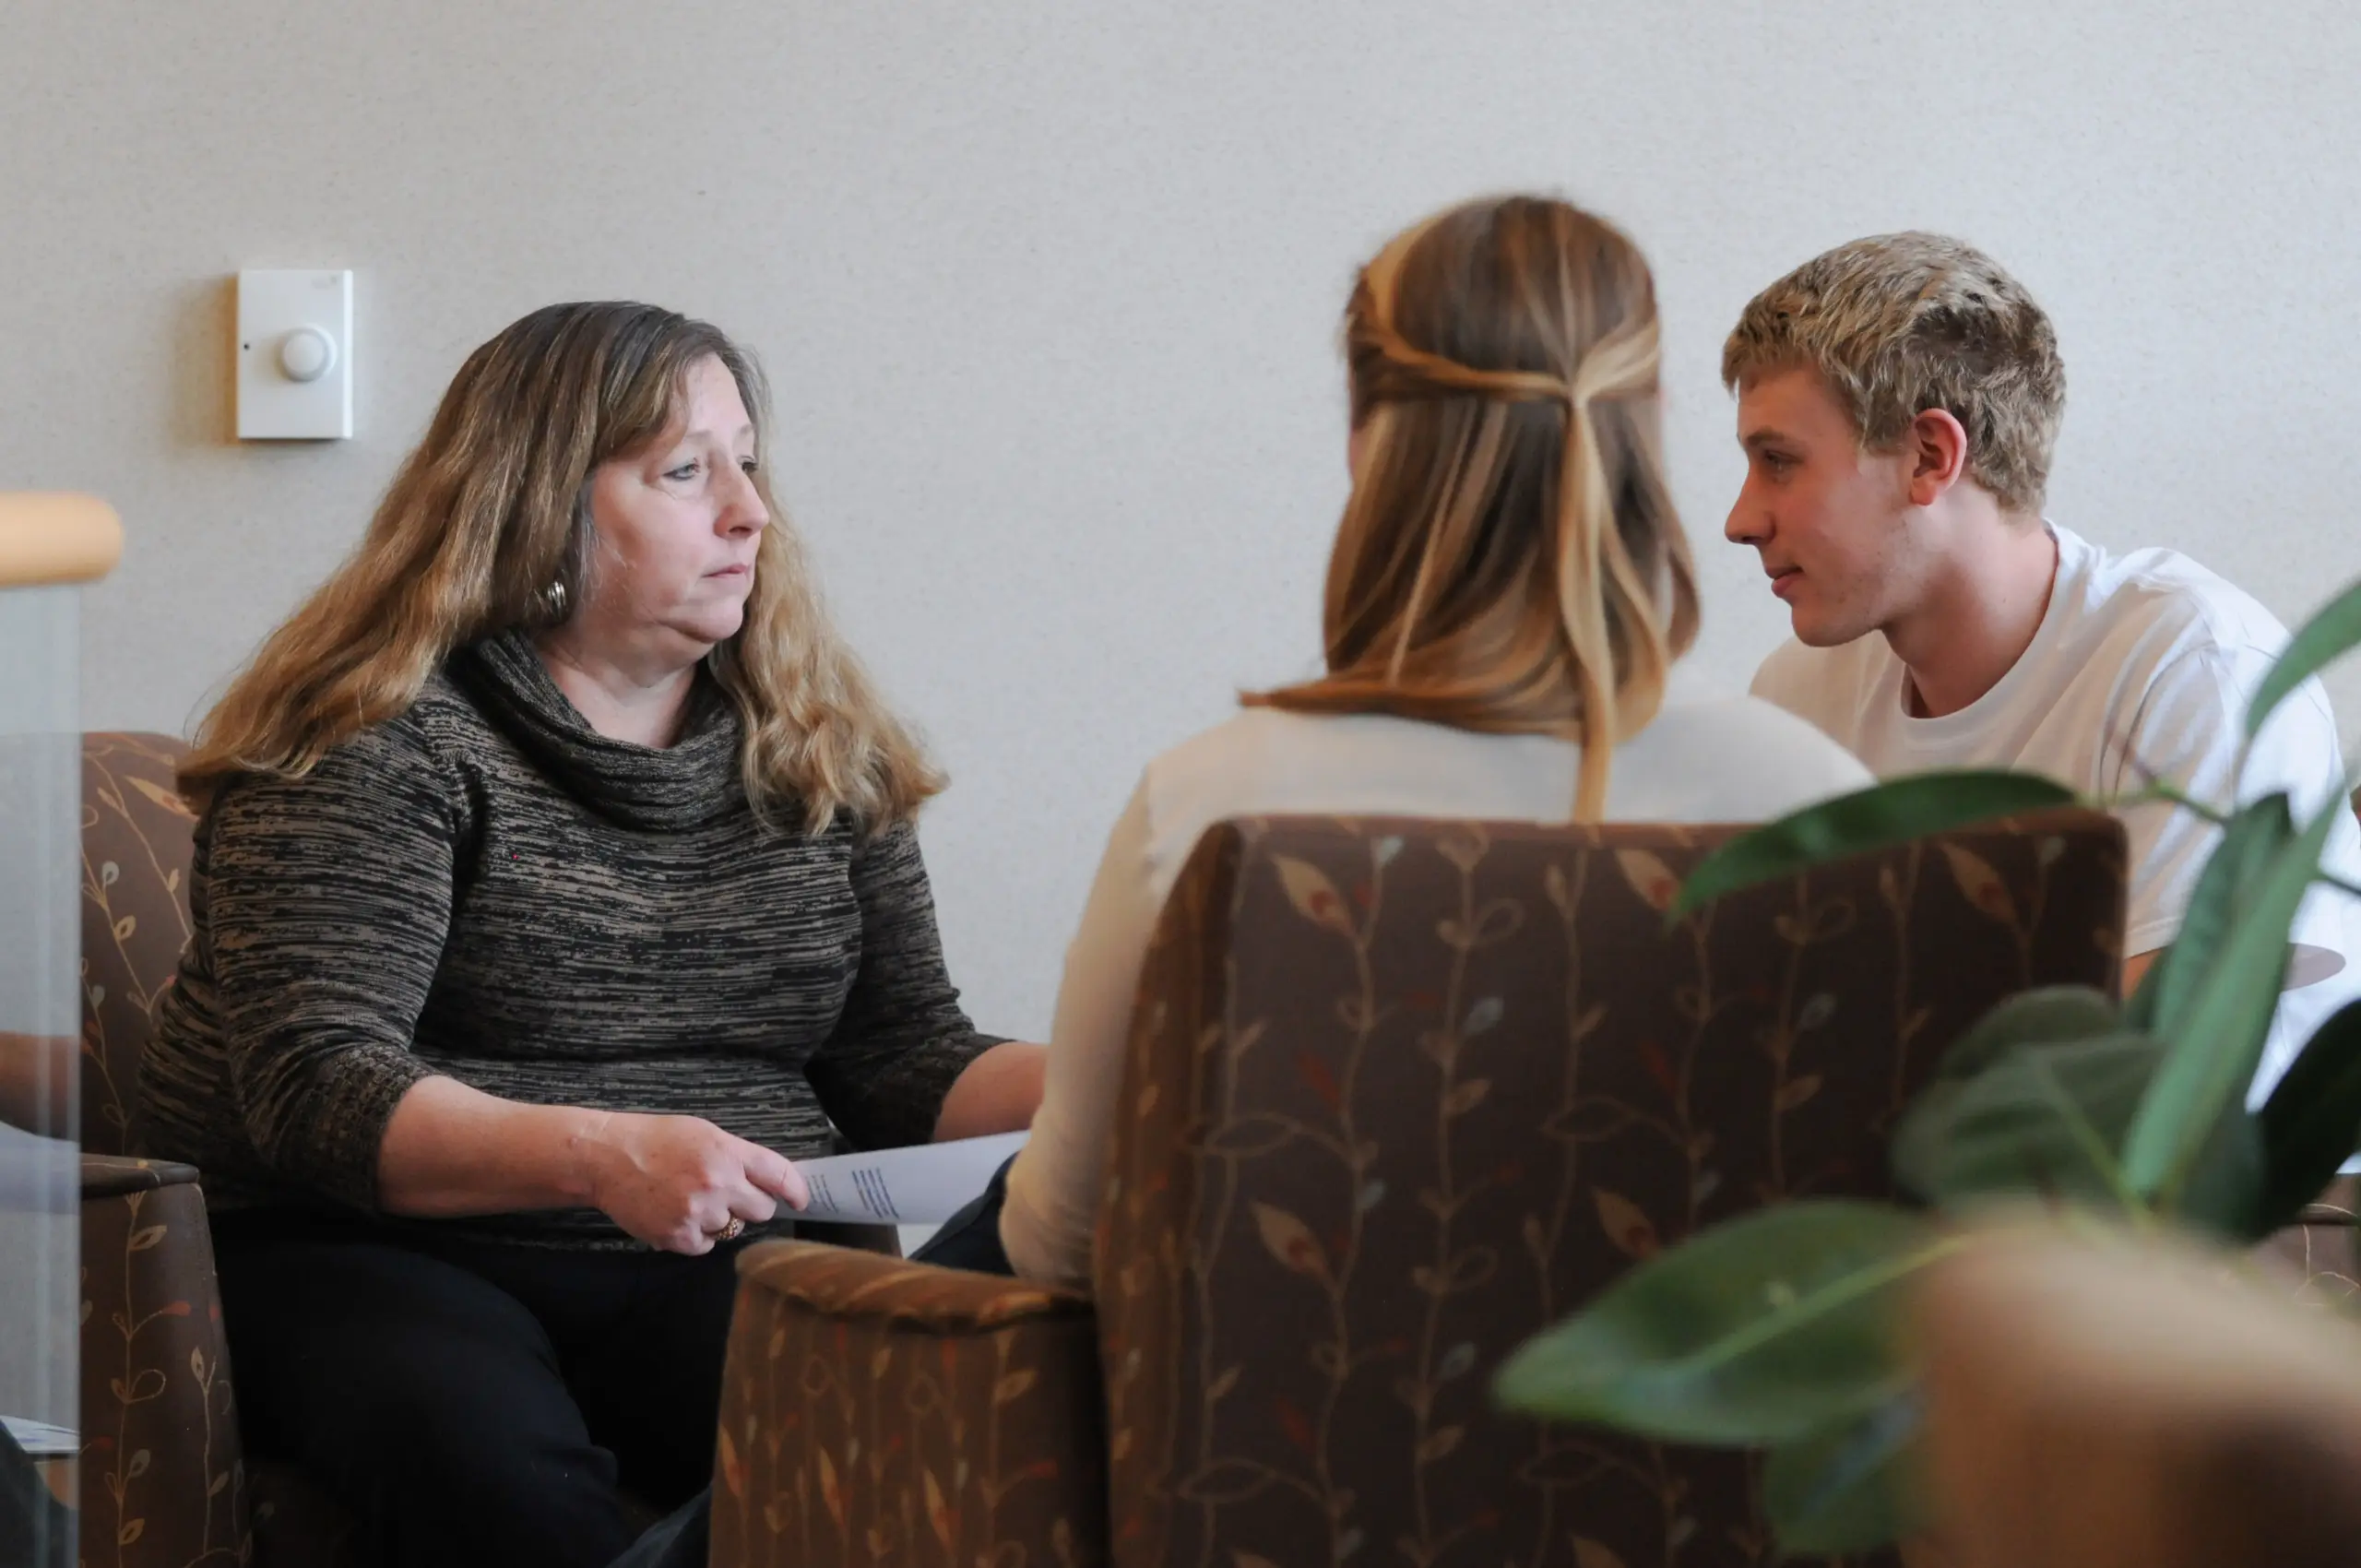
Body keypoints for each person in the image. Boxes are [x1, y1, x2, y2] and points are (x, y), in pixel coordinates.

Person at [136, 302, 1043, 1568]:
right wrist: (606, 1158)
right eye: (686, 472)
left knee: (896, 1455)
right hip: (359, 1242)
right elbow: (317, 1087)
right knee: (498, 1481)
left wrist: (1110, 1077)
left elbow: (900, 1056)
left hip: (704, 1249)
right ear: (538, 505)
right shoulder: (376, 741)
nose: (749, 512)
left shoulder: (818, 750)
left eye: (747, 462)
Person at [979, 194, 1875, 1288]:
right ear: (1642, 432)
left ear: (1369, 448)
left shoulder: (1212, 802)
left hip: (1278, 1456)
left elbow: (1062, 1242)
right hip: (1716, 1456)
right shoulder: (1818, 805)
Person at [1722, 232, 2361, 1097]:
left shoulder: (2194, 665)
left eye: (1779, 462)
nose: (1742, 518)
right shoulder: (1798, 697)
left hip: (2237, 1221)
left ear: (1930, 457)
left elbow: (2154, 1085)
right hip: (1932, 1202)